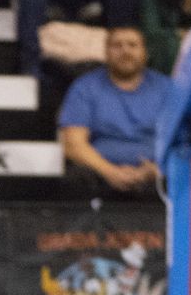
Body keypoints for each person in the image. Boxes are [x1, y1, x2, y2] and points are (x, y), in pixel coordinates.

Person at [57, 26, 171, 198]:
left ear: (145, 53)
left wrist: (158, 169)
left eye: (132, 45)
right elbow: (73, 145)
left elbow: (180, 142)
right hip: (99, 172)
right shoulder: (85, 87)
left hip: (155, 172)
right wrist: (110, 171)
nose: (125, 51)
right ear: (106, 52)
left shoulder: (166, 88)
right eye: (117, 45)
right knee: (75, 179)